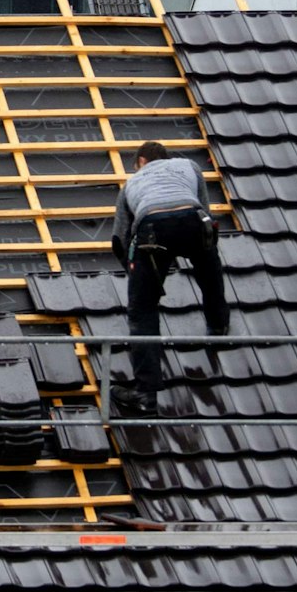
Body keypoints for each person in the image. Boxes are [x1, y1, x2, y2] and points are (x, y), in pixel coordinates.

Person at [108, 140, 229, 416]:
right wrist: (206, 247)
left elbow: (120, 238)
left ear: (141, 162)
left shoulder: (132, 183)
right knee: (210, 270)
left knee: (142, 311)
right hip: (193, 219)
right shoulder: (189, 166)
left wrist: (139, 275)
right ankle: (219, 327)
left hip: (152, 228)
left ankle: (145, 395)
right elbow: (205, 213)